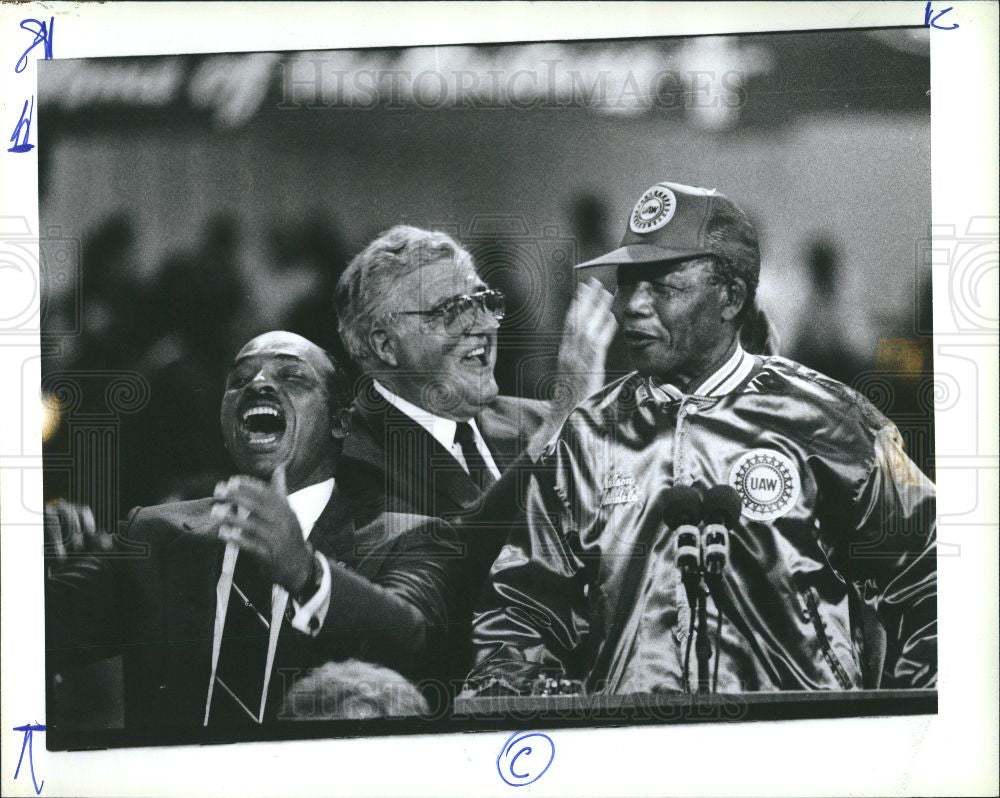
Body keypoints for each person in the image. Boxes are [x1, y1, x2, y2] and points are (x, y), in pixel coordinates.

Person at [465, 181, 936, 696]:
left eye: (662, 287)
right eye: (626, 285)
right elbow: (522, 612)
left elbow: (937, 577)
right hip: (635, 756)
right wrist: (516, 697)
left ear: (730, 298)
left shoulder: (831, 421)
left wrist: (899, 723)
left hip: (800, 755)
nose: (632, 307)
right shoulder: (586, 436)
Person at [45, 331, 458, 732]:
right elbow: (34, 632)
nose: (257, 383)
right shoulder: (155, 535)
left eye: (292, 376)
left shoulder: (411, 539)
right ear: (225, 424)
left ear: (340, 422)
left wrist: (306, 572)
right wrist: (27, 556)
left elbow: (420, 648)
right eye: (240, 380)